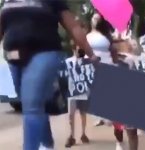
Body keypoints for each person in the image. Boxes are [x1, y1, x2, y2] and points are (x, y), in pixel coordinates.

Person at [0, 1, 98, 150]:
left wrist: (90, 54)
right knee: (33, 105)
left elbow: (73, 27)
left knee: (32, 105)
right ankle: (47, 145)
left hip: (45, 53)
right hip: (14, 58)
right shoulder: (9, 1)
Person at [86, 12, 113, 126]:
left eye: (97, 19)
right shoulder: (87, 35)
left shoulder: (106, 35)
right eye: (93, 18)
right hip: (90, 63)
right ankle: (98, 116)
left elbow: (112, 49)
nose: (95, 20)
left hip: (105, 61)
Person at [65, 45, 89, 148]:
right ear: (73, 49)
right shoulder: (68, 61)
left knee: (83, 113)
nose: (79, 51)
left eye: (81, 49)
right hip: (72, 91)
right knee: (71, 115)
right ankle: (72, 135)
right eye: (78, 49)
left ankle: (83, 133)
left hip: (83, 90)